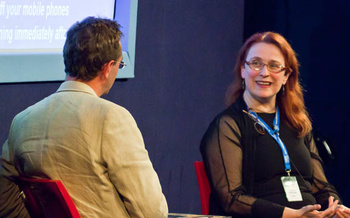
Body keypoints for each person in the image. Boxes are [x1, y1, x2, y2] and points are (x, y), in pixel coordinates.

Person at [0, 17, 168, 218]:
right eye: (120, 65)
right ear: (107, 68)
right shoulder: (112, 119)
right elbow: (151, 212)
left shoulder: (22, 121)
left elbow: (4, 196)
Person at [200, 32, 350, 217]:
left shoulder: (298, 123)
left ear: (286, 75)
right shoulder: (228, 126)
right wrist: (290, 215)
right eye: (255, 63)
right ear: (242, 70)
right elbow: (231, 198)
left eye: (274, 66)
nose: (264, 73)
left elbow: (320, 186)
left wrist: (335, 208)